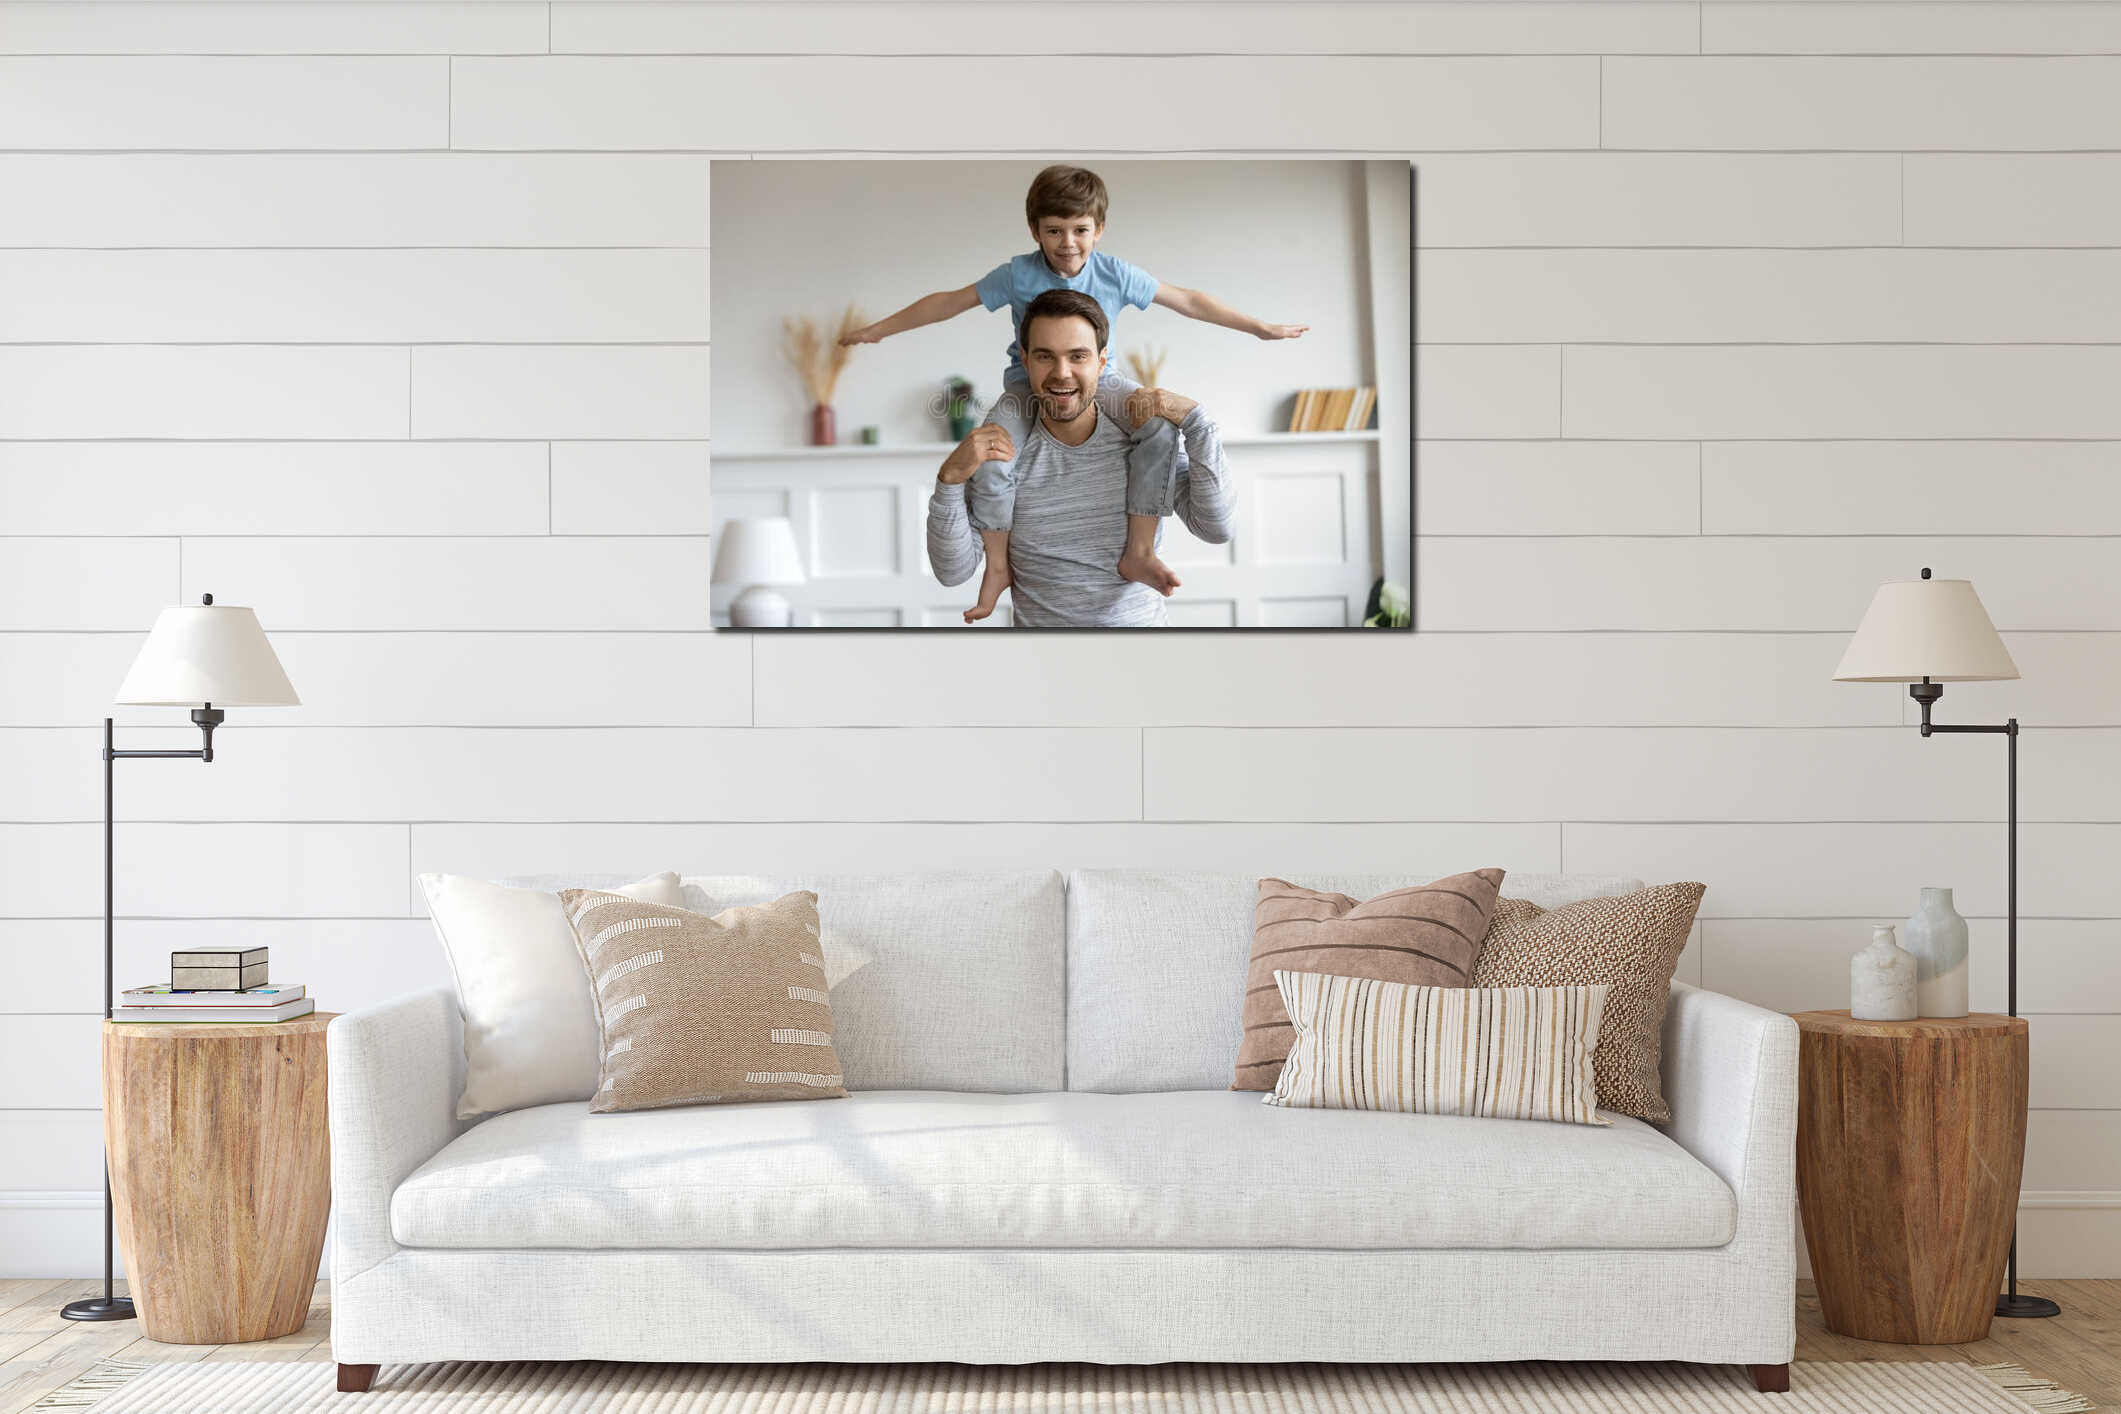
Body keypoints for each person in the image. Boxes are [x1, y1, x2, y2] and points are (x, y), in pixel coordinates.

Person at [843, 163, 1304, 623]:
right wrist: (880, 331)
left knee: (1159, 429)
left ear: (1099, 229)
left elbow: (1188, 299)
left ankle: (1139, 549)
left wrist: (1258, 327)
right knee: (996, 454)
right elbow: (947, 301)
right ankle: (999, 566)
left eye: (1080, 230)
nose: (1068, 243)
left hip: (1104, 384)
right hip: (1025, 389)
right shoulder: (1017, 275)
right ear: (1034, 231)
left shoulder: (1115, 274)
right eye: (1054, 231)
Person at [926, 290, 1233, 628]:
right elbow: (952, 573)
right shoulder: (1003, 456)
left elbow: (1216, 528)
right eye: (1045, 356)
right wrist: (950, 479)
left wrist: (1198, 422)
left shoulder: (1144, 445)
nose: (1062, 373)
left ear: (1101, 362)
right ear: (1025, 361)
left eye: (1077, 356)